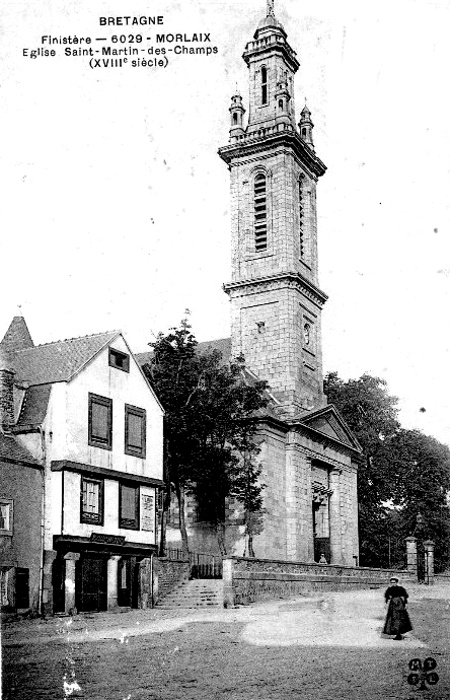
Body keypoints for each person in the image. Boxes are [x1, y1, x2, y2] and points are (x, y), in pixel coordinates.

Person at [383, 576, 413, 640]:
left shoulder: (400, 588)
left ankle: (399, 633)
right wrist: (385, 604)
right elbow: (387, 597)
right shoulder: (389, 589)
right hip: (393, 605)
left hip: (399, 604)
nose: (393, 584)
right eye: (391, 582)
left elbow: (405, 596)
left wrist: (406, 604)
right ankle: (396, 633)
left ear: (396, 582)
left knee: (400, 617)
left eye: (394, 582)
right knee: (393, 618)